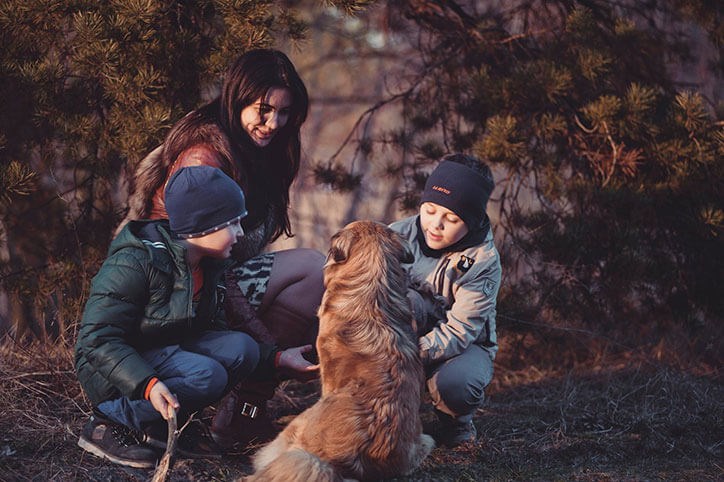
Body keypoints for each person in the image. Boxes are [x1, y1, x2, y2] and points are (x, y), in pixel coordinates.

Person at [116, 49, 325, 446]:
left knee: (316, 272)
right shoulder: (204, 157)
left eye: (284, 113)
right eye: (263, 109)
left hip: (212, 281)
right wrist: (271, 352)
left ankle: (245, 413)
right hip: (172, 296)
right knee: (312, 269)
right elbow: (203, 270)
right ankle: (240, 410)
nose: (273, 123)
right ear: (237, 97)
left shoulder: (259, 149)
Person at [76, 166, 317, 469]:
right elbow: (96, 339)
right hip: (112, 373)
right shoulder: (135, 262)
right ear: (202, 227)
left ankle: (164, 427)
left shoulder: (206, 264)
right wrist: (148, 384)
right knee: (207, 374)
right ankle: (107, 422)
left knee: (243, 349)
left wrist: (278, 358)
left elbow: (218, 332)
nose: (240, 233)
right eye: (232, 224)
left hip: (162, 353)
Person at [389, 153, 501, 448]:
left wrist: (407, 355)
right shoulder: (396, 235)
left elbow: (461, 330)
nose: (435, 224)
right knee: (409, 301)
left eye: (451, 218)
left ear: (473, 220)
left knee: (458, 384)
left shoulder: (483, 261)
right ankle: (383, 415)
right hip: (402, 335)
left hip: (460, 348)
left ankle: (456, 422)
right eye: (429, 210)